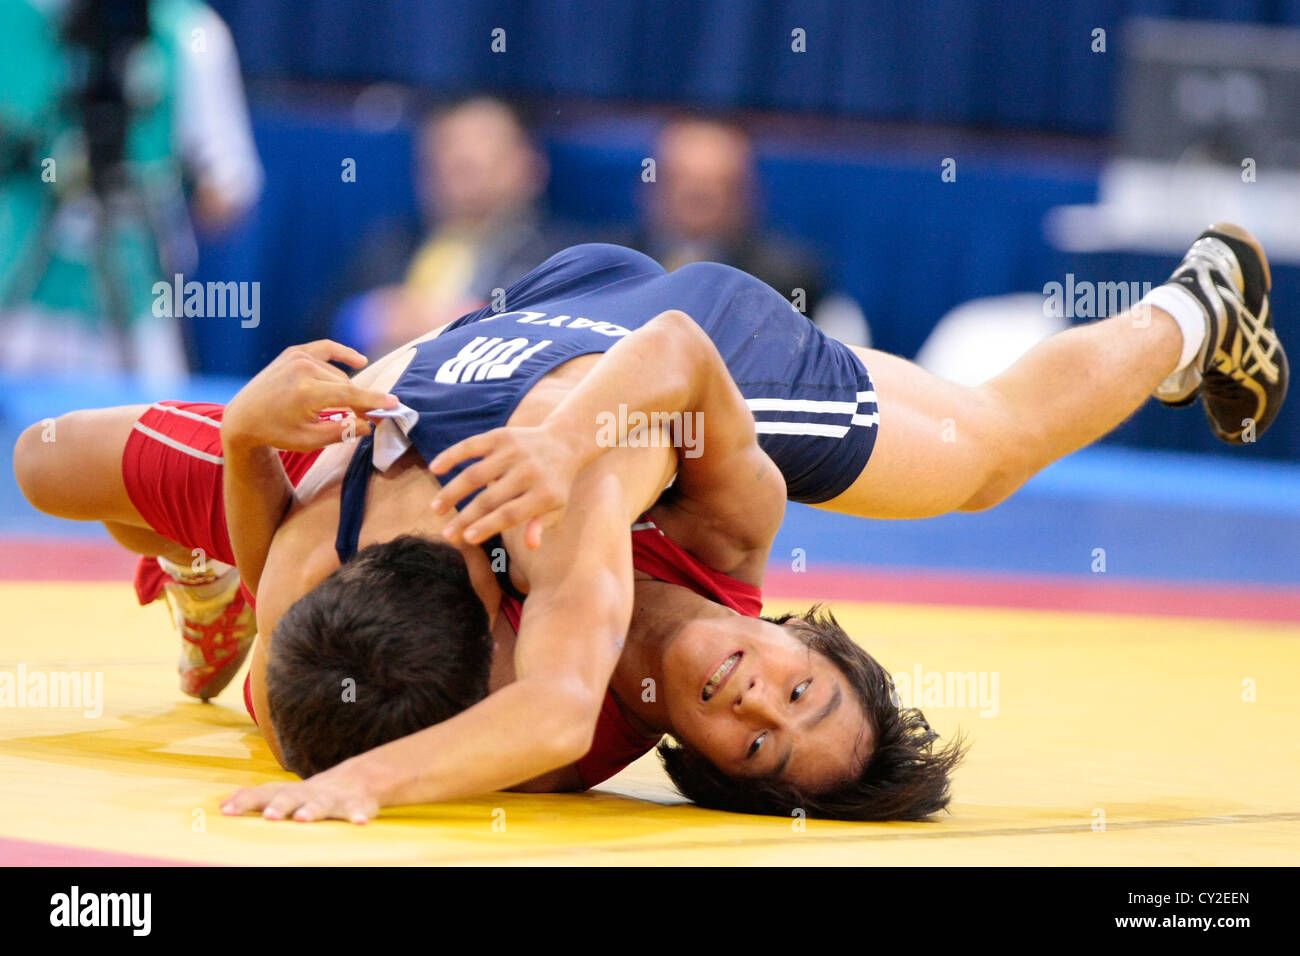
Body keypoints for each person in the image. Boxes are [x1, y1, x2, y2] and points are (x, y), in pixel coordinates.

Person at [14, 223, 1286, 820]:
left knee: (58, 467)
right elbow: (671, 352)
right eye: (800, 693)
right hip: (670, 365)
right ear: (803, 633)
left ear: (698, 758)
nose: (755, 698)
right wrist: (569, 439)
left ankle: (198, 588)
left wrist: (244, 440)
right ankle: (1191, 308)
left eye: (756, 741)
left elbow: (536, 697)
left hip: (508, 342)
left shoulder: (438, 630)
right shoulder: (706, 537)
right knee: (981, 453)